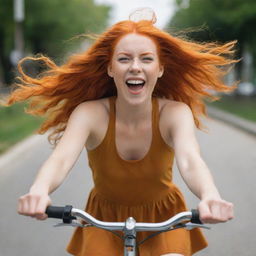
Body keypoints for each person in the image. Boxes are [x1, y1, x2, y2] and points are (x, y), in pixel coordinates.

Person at [3, 9, 237, 256]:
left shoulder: (175, 113)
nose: (135, 67)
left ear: (160, 69)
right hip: (102, 217)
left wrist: (210, 195)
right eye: (124, 59)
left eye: (147, 59)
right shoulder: (89, 113)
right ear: (110, 68)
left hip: (165, 216)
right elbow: (60, 160)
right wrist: (39, 190)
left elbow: (190, 161)